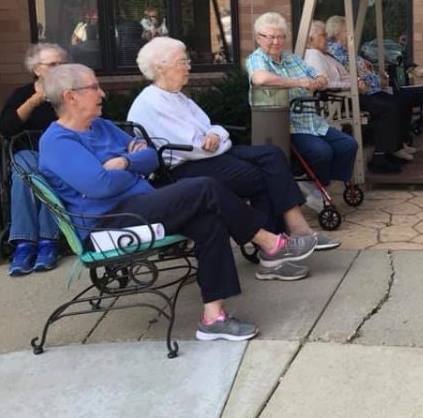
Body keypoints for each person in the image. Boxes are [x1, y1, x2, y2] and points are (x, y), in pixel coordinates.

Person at [38, 64, 318, 342]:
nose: (102, 93)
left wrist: (124, 161)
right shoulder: (57, 142)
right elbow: (100, 185)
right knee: (204, 188)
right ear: (70, 97)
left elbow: (150, 156)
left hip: (139, 203)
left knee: (208, 220)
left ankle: (213, 318)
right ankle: (270, 243)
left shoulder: (101, 126)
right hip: (107, 224)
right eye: (93, 88)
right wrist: (130, 166)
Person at [127, 36, 340, 279]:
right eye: (182, 61)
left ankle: (292, 232)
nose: (188, 66)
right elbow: (195, 147)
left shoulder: (177, 96)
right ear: (160, 67)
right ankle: (274, 252)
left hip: (209, 158)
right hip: (183, 170)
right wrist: (217, 139)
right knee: (263, 176)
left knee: (272, 155)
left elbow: (213, 129)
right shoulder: (151, 102)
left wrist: (217, 137)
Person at [246, 12, 359, 201]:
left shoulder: (293, 59)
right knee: (321, 152)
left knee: (348, 144)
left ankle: (321, 183)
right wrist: (298, 82)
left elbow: (320, 76)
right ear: (259, 38)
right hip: (285, 125)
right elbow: (260, 78)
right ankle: (315, 185)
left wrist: (319, 82)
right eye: (271, 37)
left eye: (280, 36)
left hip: (312, 120)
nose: (276, 41)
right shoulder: (257, 59)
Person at [0, 44, 66, 275]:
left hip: (61, 154)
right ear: (37, 69)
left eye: (61, 64)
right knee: (23, 173)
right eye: (52, 64)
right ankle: (25, 244)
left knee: (49, 171)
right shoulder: (21, 94)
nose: (58, 68)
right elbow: (7, 128)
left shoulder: (71, 91)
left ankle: (47, 242)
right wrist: (36, 100)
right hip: (29, 153)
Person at [321, 16, 415, 174]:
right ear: (336, 32)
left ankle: (390, 150)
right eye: (346, 31)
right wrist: (377, 80)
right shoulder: (336, 50)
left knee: (396, 103)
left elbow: (362, 69)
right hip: (349, 94)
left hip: (359, 90)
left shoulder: (343, 49)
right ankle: (380, 158)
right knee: (390, 108)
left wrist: (375, 77)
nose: (350, 34)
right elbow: (355, 72)